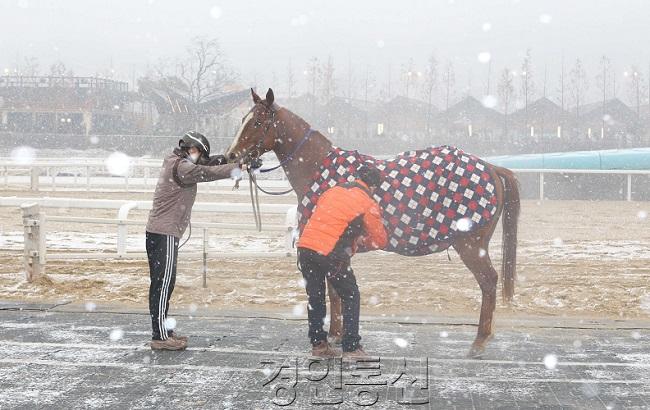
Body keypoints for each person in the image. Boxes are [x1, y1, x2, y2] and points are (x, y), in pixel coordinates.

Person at [145, 131, 244, 350]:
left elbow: (209, 164)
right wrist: (236, 168)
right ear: (191, 149)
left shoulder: (177, 161)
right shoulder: (182, 168)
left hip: (161, 233)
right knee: (163, 286)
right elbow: (205, 172)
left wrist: (230, 158)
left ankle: (163, 330)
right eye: (199, 153)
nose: (200, 157)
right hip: (165, 234)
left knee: (163, 285)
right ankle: (160, 337)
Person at [297, 165, 388, 358]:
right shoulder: (368, 202)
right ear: (373, 187)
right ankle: (351, 347)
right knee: (351, 295)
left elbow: (328, 217)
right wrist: (363, 240)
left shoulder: (332, 191)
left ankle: (319, 346)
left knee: (316, 297)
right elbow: (380, 239)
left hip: (305, 247)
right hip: (331, 253)